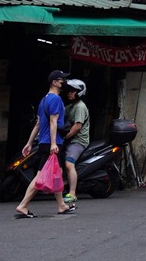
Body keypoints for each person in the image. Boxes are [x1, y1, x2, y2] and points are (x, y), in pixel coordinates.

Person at [15, 70, 74, 218]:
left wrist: (29, 143)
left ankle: (61, 205)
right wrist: (54, 144)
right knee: (42, 176)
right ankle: (23, 205)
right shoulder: (55, 100)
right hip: (51, 143)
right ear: (54, 82)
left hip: (45, 142)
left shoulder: (43, 100)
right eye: (62, 80)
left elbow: (38, 124)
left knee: (57, 173)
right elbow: (53, 121)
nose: (64, 83)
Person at [61, 78, 90, 206]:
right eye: (69, 91)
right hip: (71, 140)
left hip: (78, 141)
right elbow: (59, 114)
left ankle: (72, 193)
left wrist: (65, 137)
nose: (69, 93)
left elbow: (77, 126)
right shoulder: (71, 106)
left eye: (73, 91)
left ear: (79, 92)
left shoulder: (80, 107)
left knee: (68, 164)